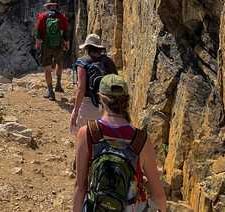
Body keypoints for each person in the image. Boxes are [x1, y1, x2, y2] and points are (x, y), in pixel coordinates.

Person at [71, 74, 166, 212]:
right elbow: (159, 195)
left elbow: (80, 187)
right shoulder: (141, 139)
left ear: (100, 98)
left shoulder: (88, 133)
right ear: (127, 100)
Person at [70, 33, 118, 134]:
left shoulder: (83, 62)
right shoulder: (108, 62)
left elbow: (81, 88)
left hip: (88, 105)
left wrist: (76, 111)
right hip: (106, 107)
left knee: (83, 138)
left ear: (87, 47)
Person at [35, 0, 72, 99]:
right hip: (59, 45)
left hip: (46, 45)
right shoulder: (62, 17)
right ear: (55, 6)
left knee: (47, 68)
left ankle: (51, 92)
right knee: (59, 63)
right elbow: (65, 32)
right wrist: (67, 43)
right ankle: (58, 85)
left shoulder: (42, 16)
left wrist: (38, 45)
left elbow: (38, 33)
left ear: (47, 6)